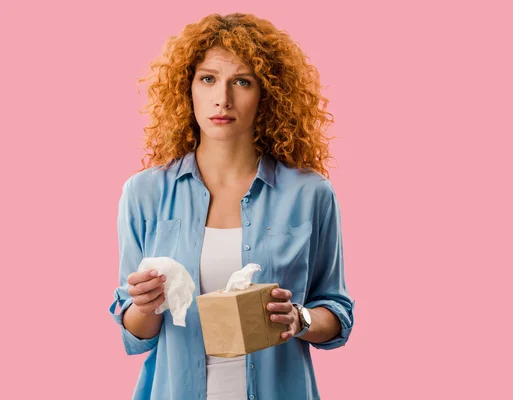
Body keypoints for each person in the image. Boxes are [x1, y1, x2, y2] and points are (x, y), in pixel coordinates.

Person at [109, 12, 355, 400]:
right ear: (187, 88)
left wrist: (300, 318)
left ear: (267, 93)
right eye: (208, 79)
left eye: (242, 81)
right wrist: (144, 305)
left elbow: (336, 312)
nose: (222, 97)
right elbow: (136, 333)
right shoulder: (144, 193)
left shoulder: (310, 194)